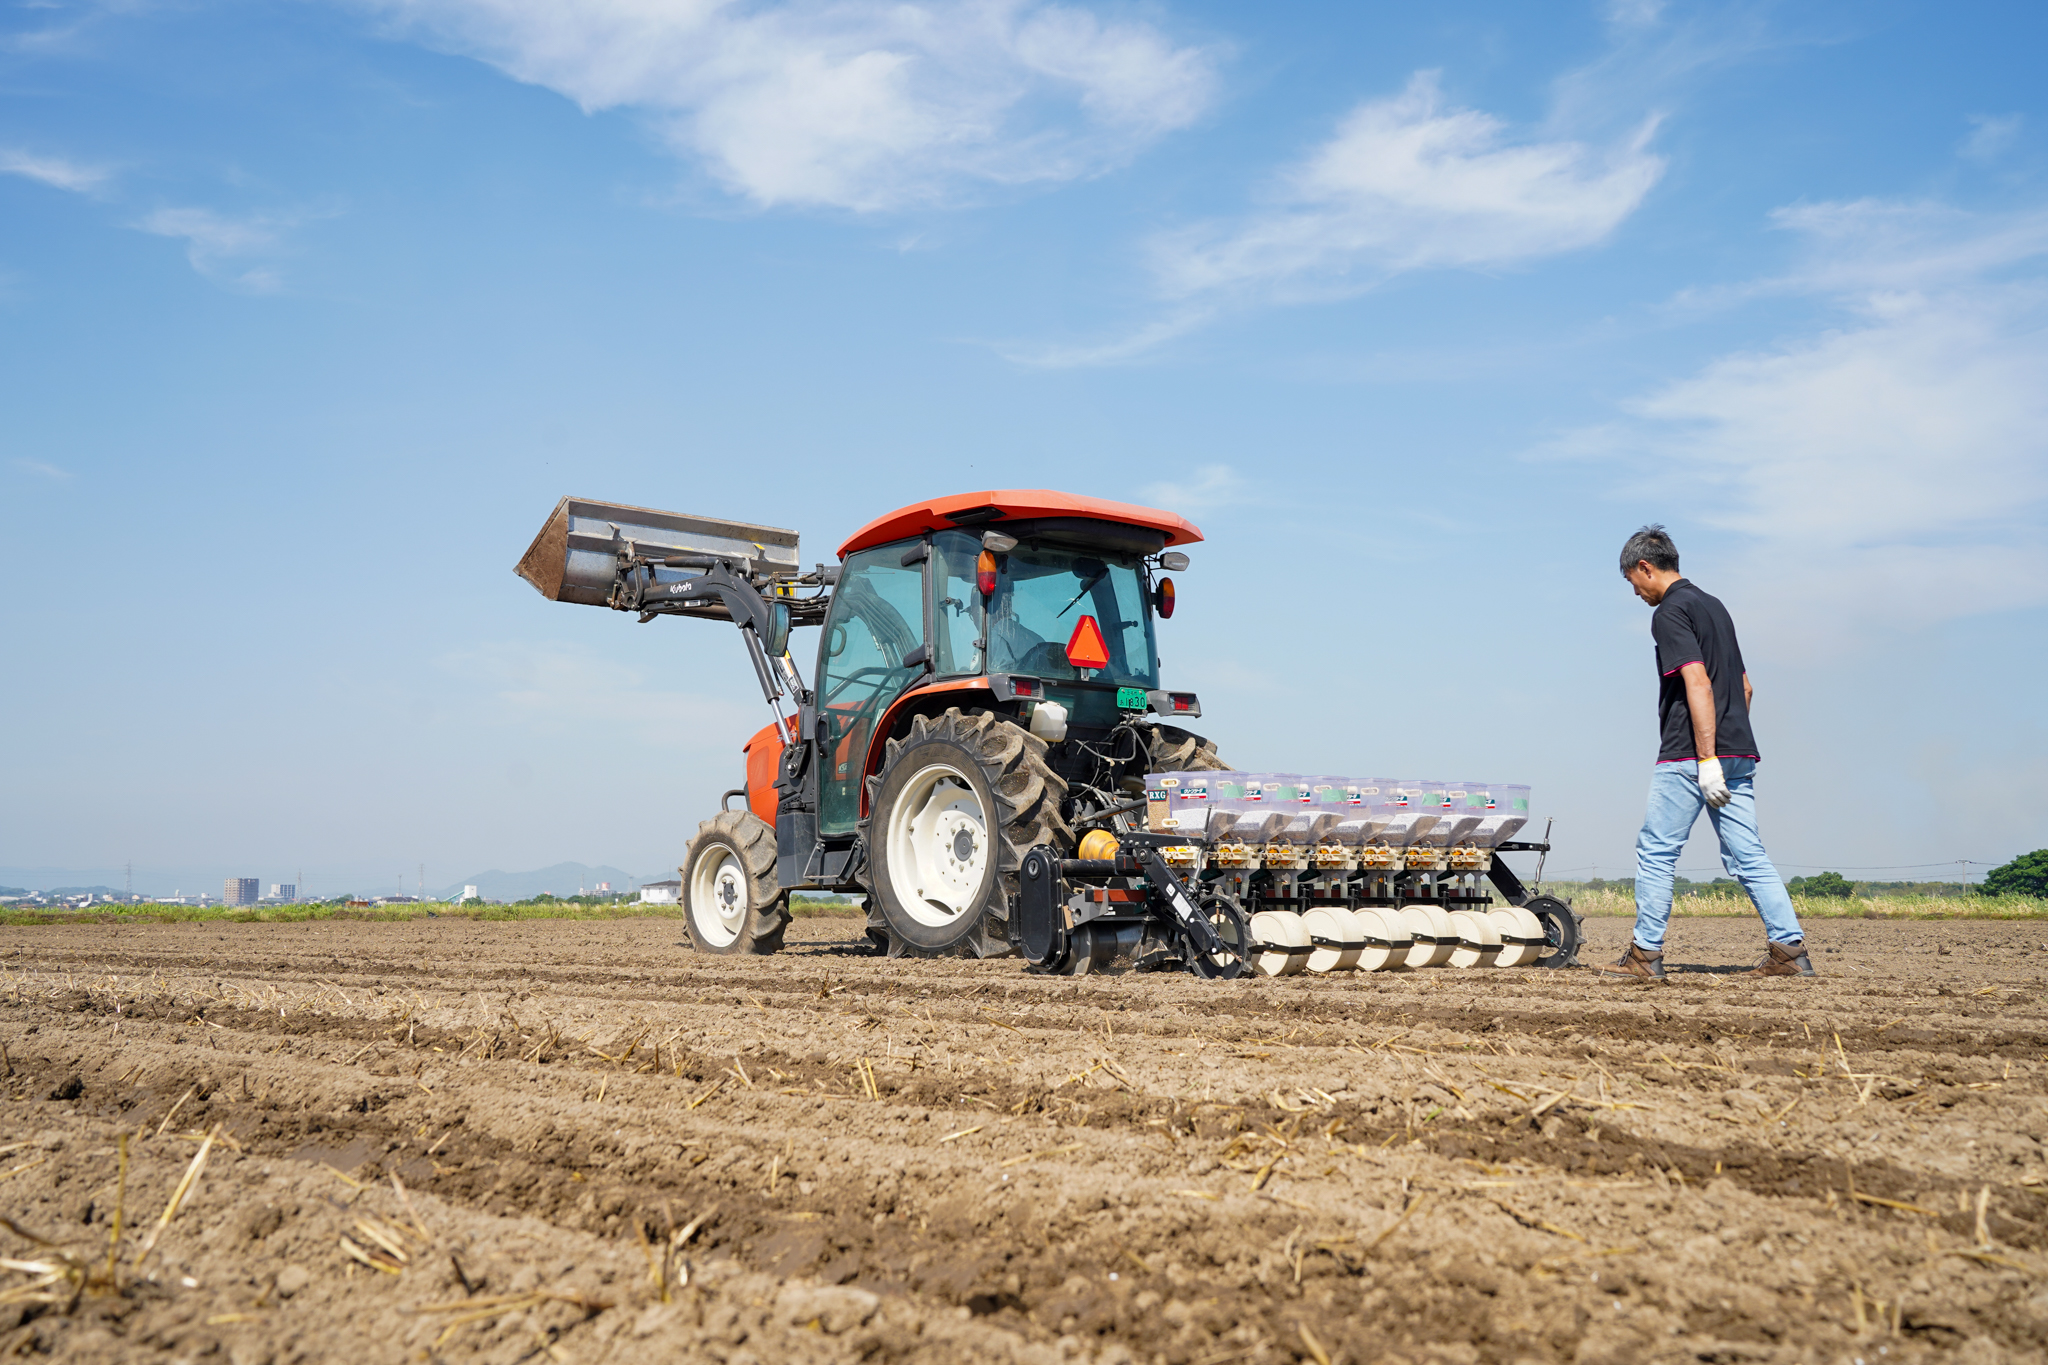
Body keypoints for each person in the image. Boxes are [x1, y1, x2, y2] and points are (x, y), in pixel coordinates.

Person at [1602, 526, 1813, 982]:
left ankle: (1644, 955)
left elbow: (1697, 682)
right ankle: (1790, 951)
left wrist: (1706, 757)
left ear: (1645, 567)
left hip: (1690, 753)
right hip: (1739, 750)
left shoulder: (1670, 612)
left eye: (1632, 581)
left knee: (1657, 851)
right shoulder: (1715, 606)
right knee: (1748, 854)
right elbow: (1745, 687)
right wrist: (1726, 748)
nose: (1635, 592)